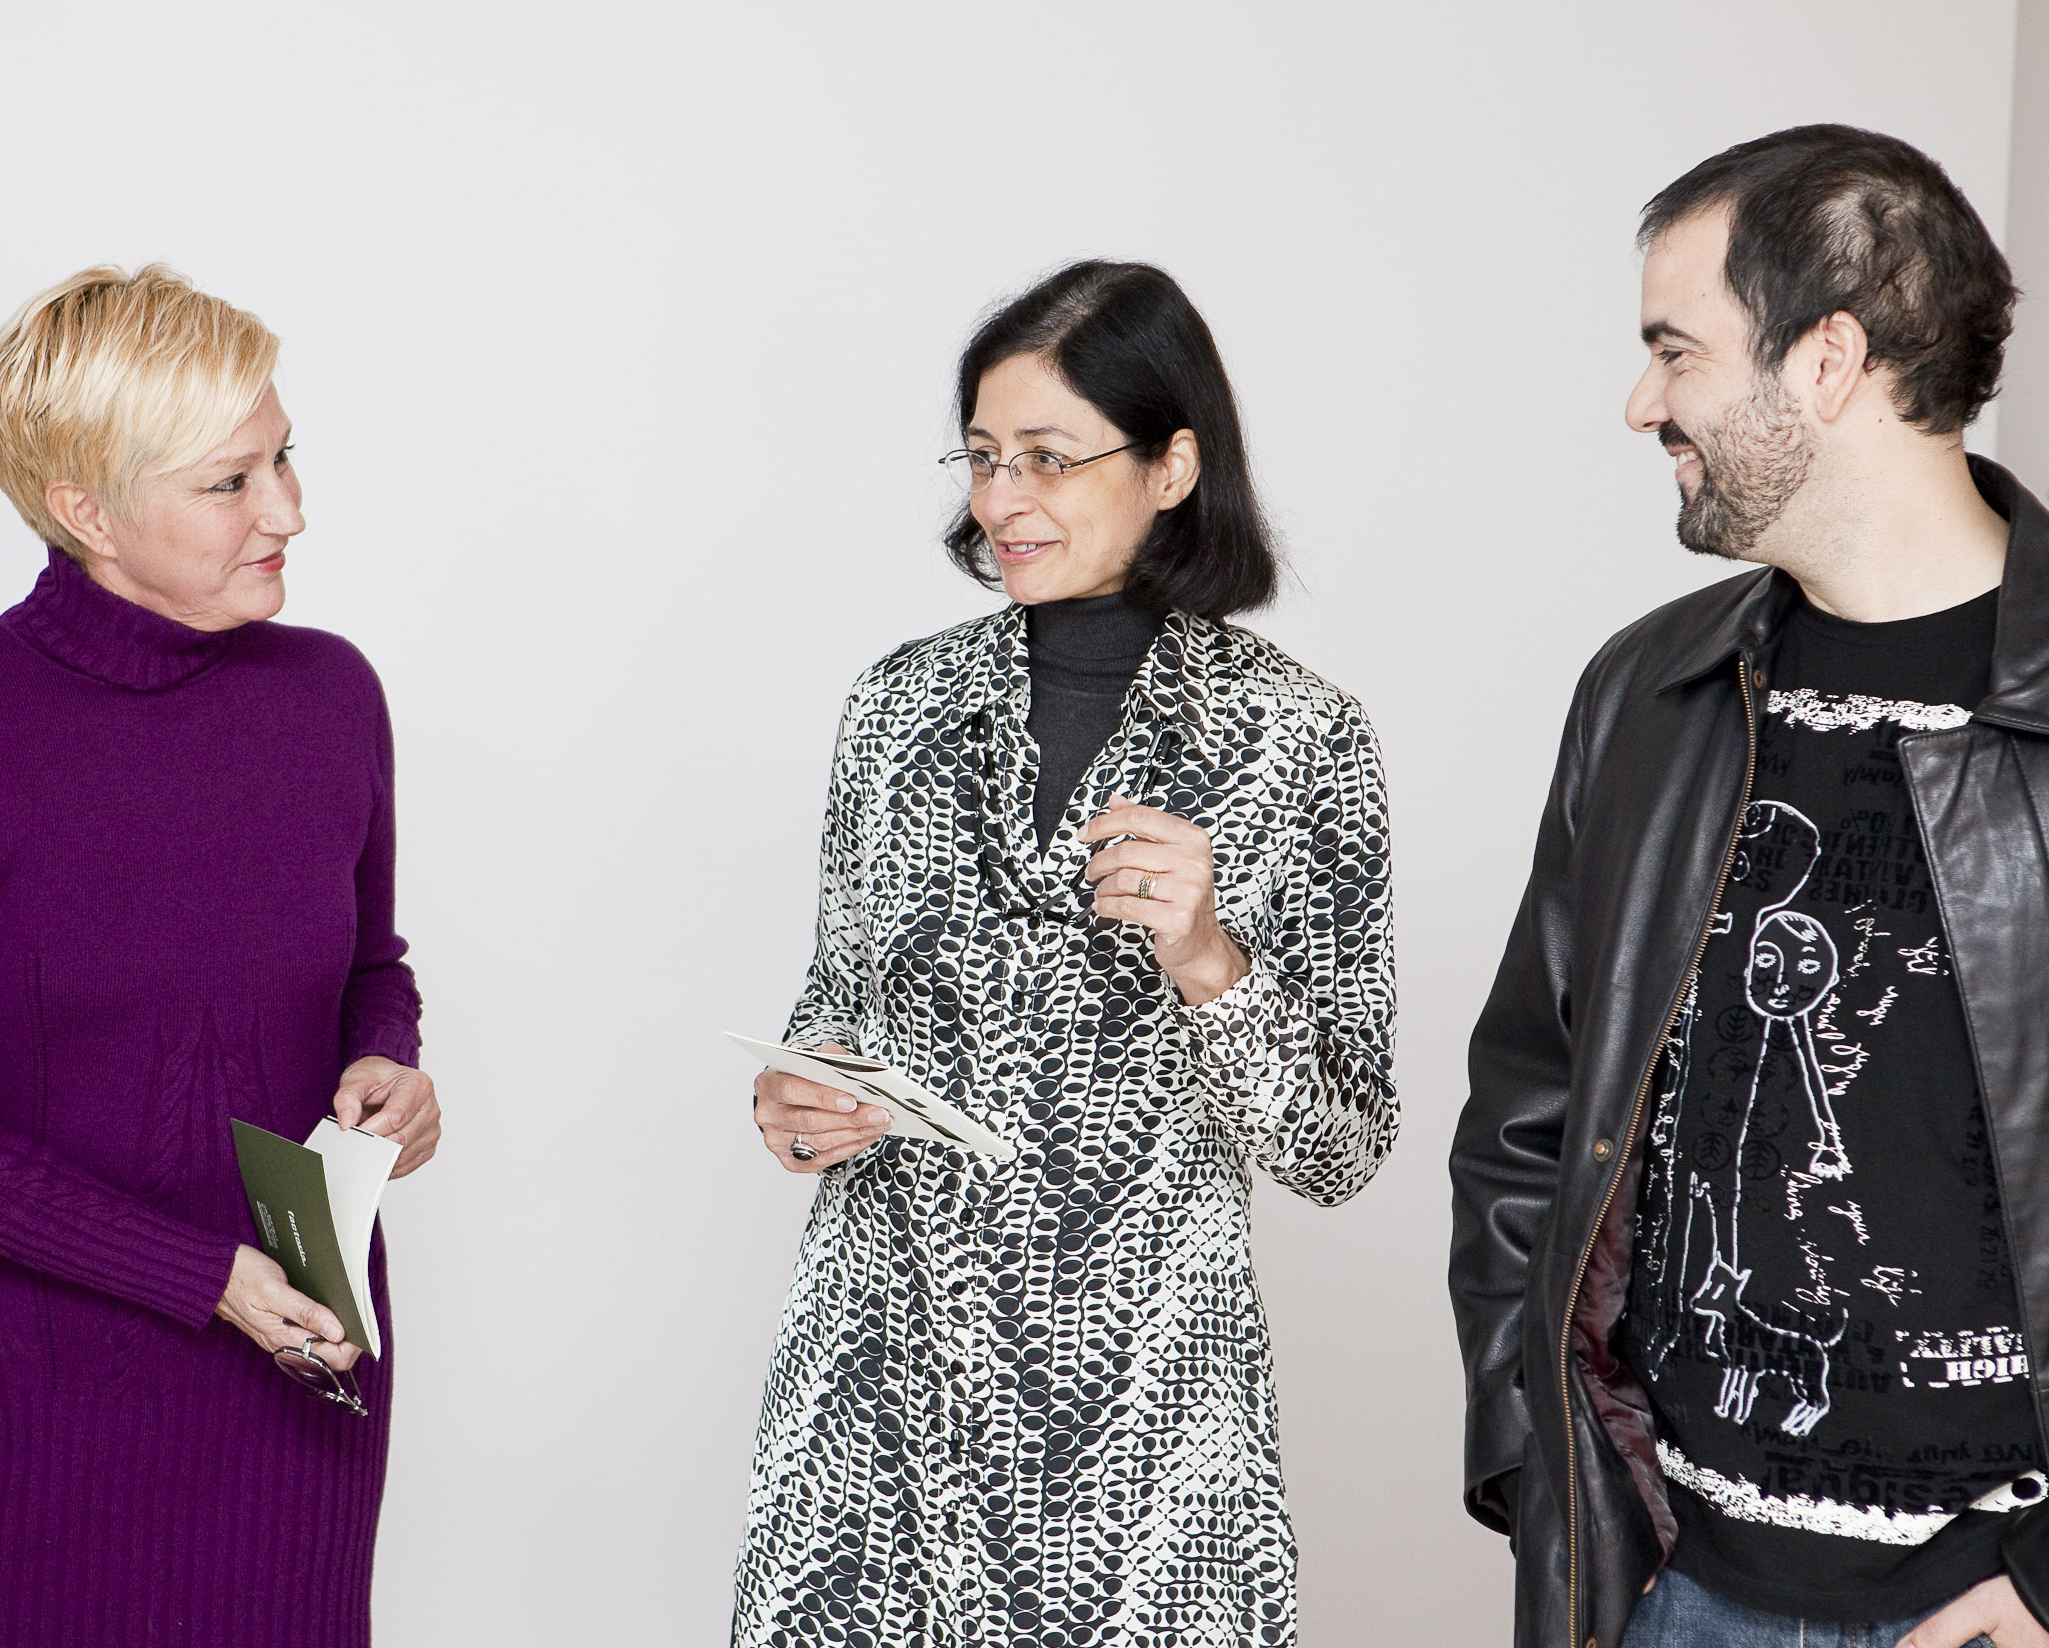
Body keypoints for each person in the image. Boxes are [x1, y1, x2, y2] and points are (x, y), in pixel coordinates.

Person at [732, 260, 1398, 1648]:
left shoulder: (1299, 740)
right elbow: (830, 1012)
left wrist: (1212, 959)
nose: (1001, 498)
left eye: (1048, 456)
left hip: (1150, 1443)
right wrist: (797, 1105)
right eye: (982, 457)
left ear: (1173, 465)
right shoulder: (897, 708)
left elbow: (1342, 1148)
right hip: (881, 1400)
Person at [1449, 125, 2049, 1648]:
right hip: (1680, 1589)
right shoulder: (1649, 691)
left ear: (1828, 358)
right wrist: (1552, 1469)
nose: (1642, 401)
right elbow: (1530, 1112)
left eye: (1676, 350)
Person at [0, 264, 441, 1648]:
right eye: (231, 483)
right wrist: (203, 1278)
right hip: (21, 1424)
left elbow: (368, 962)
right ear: (82, 509)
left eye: (285, 457)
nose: (288, 508)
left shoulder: (330, 694)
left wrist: (387, 1062)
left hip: (295, 1400)